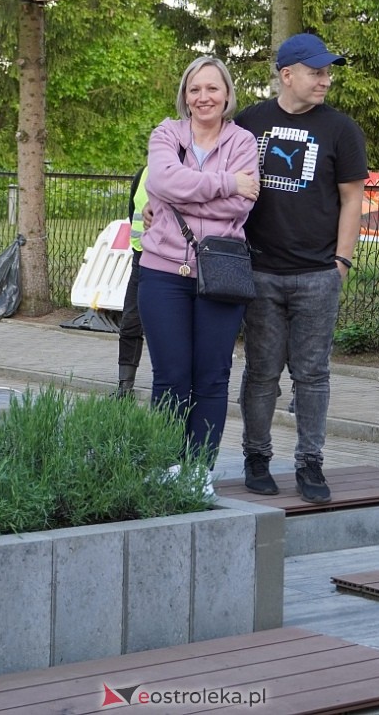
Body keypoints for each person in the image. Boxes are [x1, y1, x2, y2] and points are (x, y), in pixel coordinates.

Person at [236, 33, 368, 504]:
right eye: (316, 72)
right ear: (287, 74)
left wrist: (342, 261)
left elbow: (353, 198)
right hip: (259, 271)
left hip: (317, 274)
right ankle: (256, 458)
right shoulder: (249, 122)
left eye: (328, 72)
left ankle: (310, 464)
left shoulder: (341, 129)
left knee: (312, 375)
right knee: (261, 372)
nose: (325, 80)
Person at [138, 56, 260, 487]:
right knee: (171, 375)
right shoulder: (166, 133)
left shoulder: (244, 141)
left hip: (221, 273)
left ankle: (197, 471)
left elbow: (243, 204)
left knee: (212, 375)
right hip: (162, 273)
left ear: (227, 94)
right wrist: (225, 182)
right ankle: (166, 467)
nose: (203, 97)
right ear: (184, 96)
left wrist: (180, 194)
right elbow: (163, 182)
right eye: (195, 89)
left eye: (212, 88)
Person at [114, 165, 148, 399]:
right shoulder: (143, 173)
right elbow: (132, 211)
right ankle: (125, 385)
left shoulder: (180, 172)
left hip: (169, 262)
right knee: (130, 323)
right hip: (141, 257)